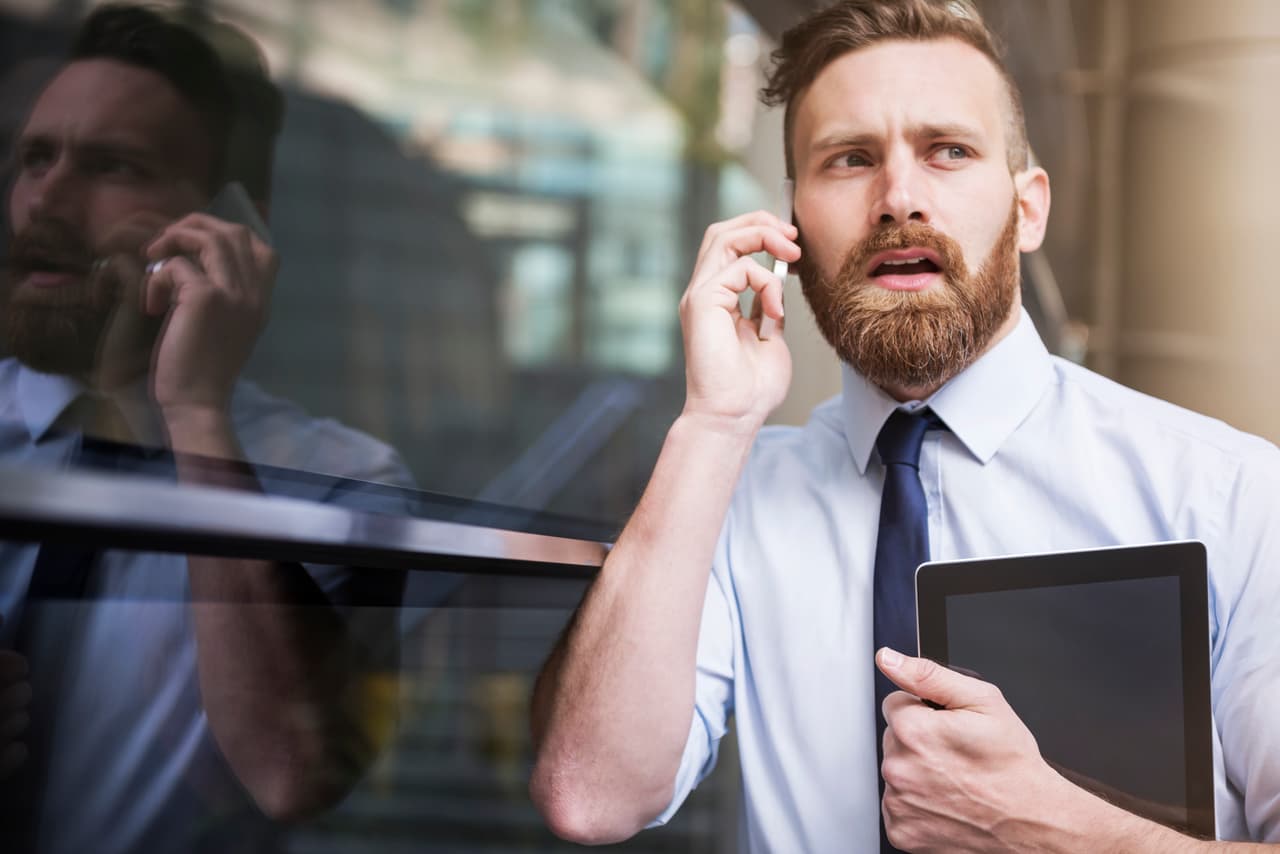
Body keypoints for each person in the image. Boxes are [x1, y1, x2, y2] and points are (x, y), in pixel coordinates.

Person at [527, 0, 1280, 851]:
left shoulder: (1231, 497)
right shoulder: (728, 495)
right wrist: (712, 422)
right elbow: (589, 795)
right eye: (849, 160)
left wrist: (1049, 829)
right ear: (790, 227)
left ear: (1028, 208)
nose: (898, 199)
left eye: (948, 151)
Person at [0, 5, 413, 851]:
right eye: (35, 159)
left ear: (233, 220)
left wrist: (192, 411)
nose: (46, 199)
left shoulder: (342, 479)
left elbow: (296, 771)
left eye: (112, 165)